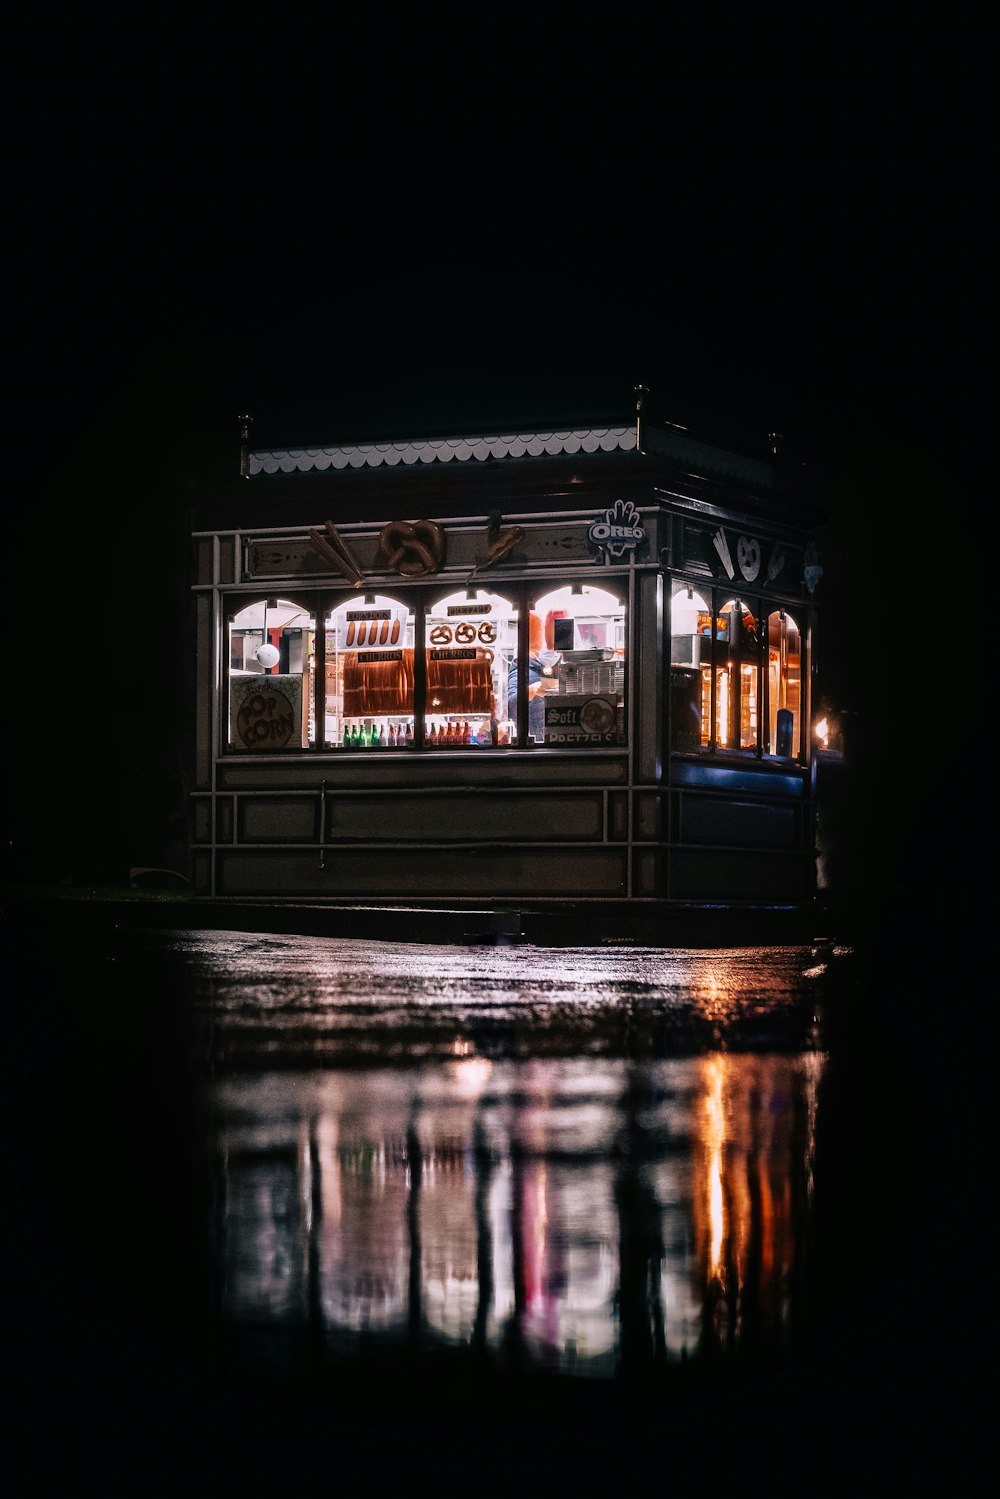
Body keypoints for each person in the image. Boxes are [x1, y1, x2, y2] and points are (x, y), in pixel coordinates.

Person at [507, 653, 558, 741]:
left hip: (562, 737)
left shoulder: (561, 668)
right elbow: (510, 708)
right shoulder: (520, 673)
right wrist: (530, 691)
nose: (551, 651)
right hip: (535, 742)